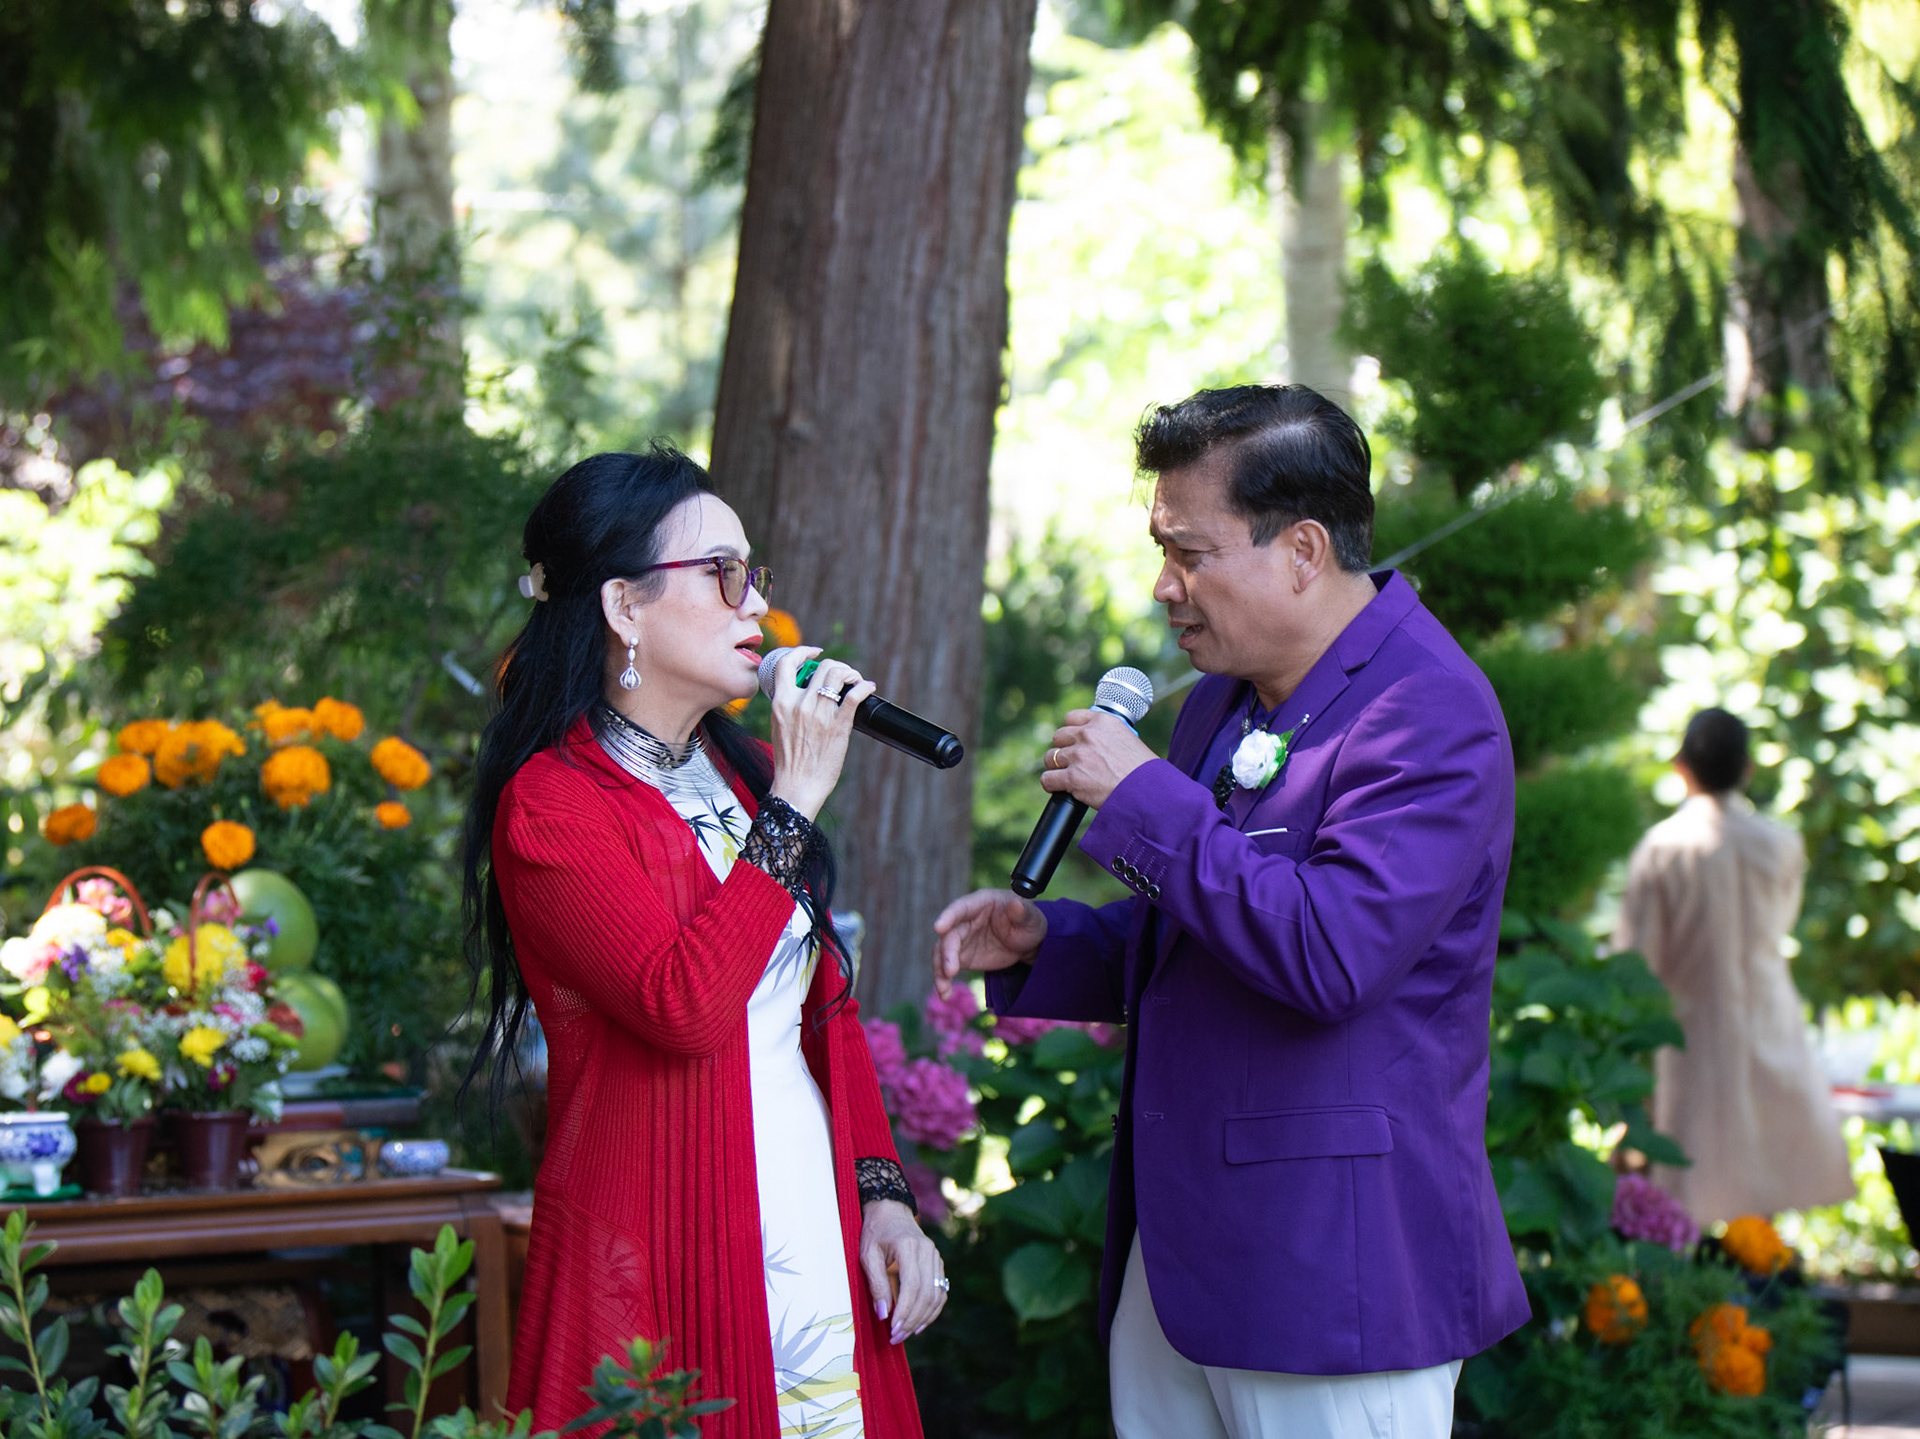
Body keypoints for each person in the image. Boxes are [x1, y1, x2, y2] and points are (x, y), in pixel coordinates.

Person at [932, 385, 1529, 1439]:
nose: (1165, 585)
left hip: (1330, 1272)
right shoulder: (1219, 696)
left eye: (1191, 553)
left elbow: (1331, 952)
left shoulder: (1428, 708)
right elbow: (1208, 930)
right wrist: (1052, 940)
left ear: (1303, 549)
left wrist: (1142, 797)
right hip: (1178, 1258)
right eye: (1162, 550)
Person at [460, 446, 944, 1439]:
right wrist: (795, 802)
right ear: (623, 606)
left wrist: (882, 1194)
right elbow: (682, 1007)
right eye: (721, 573)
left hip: (807, 1205)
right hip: (660, 1237)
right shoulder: (552, 807)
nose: (754, 603)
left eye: (750, 572)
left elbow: (826, 1010)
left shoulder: (743, 771)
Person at [1614, 706, 1853, 1223]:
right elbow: (1782, 921)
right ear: (1747, 769)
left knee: (1690, 1192)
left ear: (1681, 766)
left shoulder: (1663, 848)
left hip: (1690, 1030)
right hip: (1768, 1016)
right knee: (1763, 1180)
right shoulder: (1781, 843)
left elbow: (1633, 962)